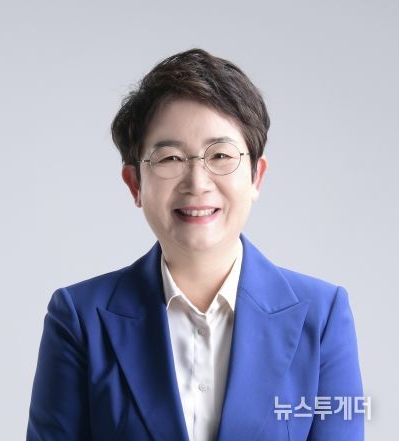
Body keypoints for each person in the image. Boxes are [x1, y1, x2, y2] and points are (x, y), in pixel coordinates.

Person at [27, 48, 364, 441]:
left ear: (256, 177)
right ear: (135, 184)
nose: (197, 183)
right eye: (170, 158)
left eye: (220, 155)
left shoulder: (321, 317)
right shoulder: (80, 318)